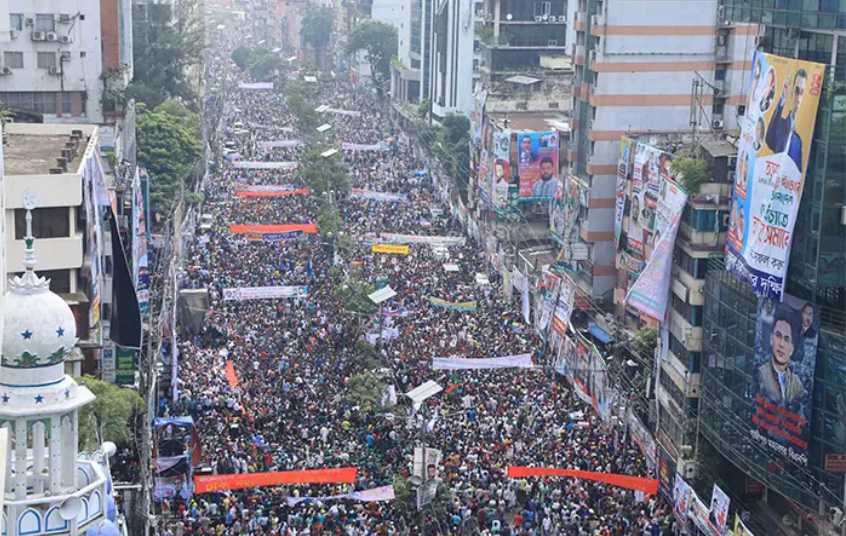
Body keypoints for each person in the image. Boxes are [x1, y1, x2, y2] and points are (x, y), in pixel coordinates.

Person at [756, 305, 806, 408]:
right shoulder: (761, 373)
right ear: (771, 339)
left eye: (787, 339)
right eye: (778, 335)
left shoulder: (797, 384)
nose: (781, 344)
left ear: (792, 348)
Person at [766, 68, 807, 172]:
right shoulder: (782, 125)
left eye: (802, 92)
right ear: (792, 91)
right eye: (797, 91)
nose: (799, 98)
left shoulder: (803, 136)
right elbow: (769, 139)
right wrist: (783, 97)